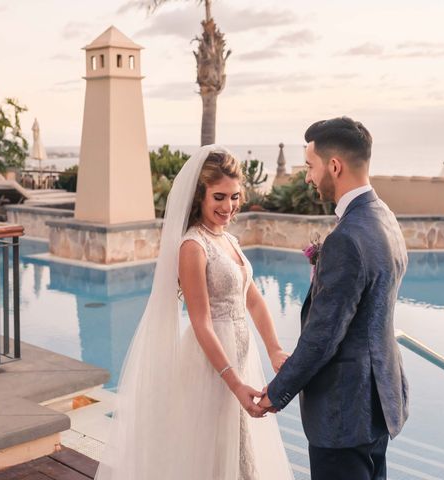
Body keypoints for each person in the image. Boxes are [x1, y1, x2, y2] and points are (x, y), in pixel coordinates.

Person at [95, 146, 294, 480]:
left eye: (234, 197)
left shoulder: (230, 241)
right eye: (219, 197)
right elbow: (201, 322)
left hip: (243, 360)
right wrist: (234, 383)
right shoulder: (192, 247)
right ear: (200, 195)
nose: (228, 206)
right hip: (212, 365)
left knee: (241, 452)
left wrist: (274, 349)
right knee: (209, 457)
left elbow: (255, 301)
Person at [259, 117, 409, 480]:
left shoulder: (346, 238)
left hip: (343, 411)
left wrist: (274, 394)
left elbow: (324, 335)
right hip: (378, 401)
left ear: (335, 166)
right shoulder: (384, 216)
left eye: (310, 166)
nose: (308, 177)